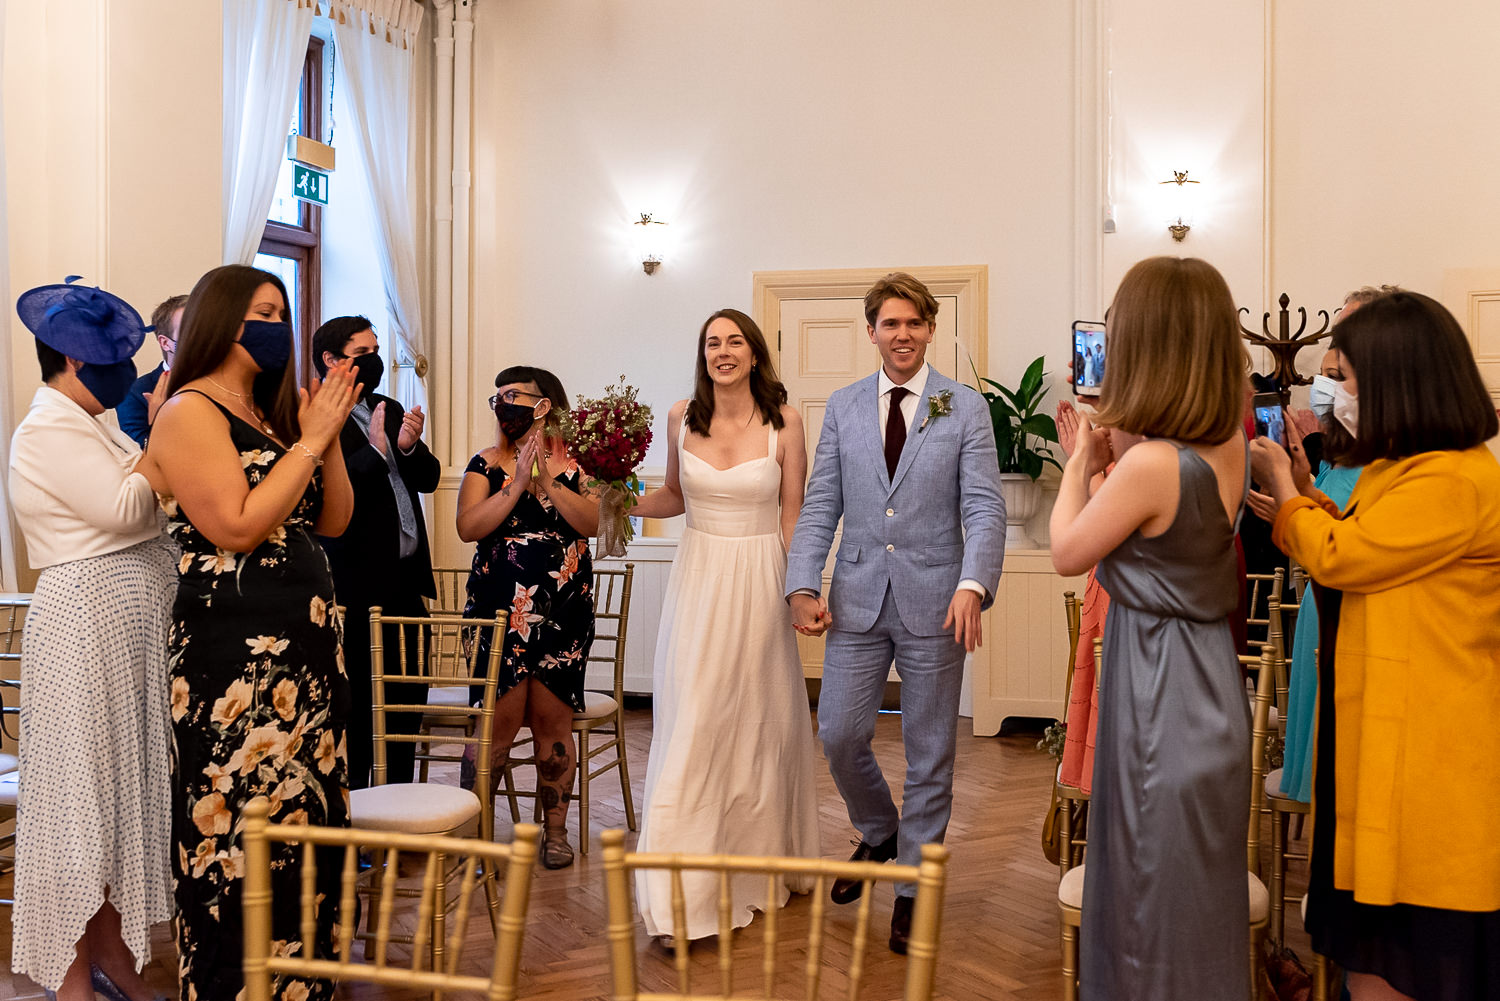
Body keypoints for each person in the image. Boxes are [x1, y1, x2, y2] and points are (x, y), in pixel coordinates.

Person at [1249, 291, 1500, 1001]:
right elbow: (1373, 547)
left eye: (1343, 376)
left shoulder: (1455, 476)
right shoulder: (1406, 468)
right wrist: (1307, 493)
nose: (1331, 391)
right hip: (1387, 742)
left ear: (1398, 380)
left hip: (1434, 761)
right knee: (1372, 959)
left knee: (1407, 960)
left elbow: (1346, 558)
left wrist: (1289, 495)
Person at [139, 264, 359, 1001]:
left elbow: (332, 520)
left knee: (308, 820)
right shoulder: (189, 410)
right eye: (262, 310)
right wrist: (312, 439)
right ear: (221, 317)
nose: (276, 323)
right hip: (234, 664)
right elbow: (234, 525)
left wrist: (320, 435)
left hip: (307, 658)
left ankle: (308, 985)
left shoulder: (268, 409)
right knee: (241, 835)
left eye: (282, 310)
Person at [1048, 256, 1252, 1000]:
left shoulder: (1150, 466)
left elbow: (1069, 551)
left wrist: (1080, 463)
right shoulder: (1224, 446)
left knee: (1145, 900)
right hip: (1206, 677)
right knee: (1190, 902)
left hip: (1160, 695)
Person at [785, 272, 1006, 954]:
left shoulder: (961, 408)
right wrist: (802, 582)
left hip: (937, 602)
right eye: (890, 323)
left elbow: (984, 506)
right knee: (839, 732)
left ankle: (912, 889)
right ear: (872, 330)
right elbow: (822, 501)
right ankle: (880, 830)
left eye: (914, 323)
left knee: (931, 753)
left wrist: (974, 582)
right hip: (855, 597)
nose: (902, 333)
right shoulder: (845, 407)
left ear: (930, 328)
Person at [628, 308, 821, 939]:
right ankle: (680, 888)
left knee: (761, 721)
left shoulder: (787, 422)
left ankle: (758, 863)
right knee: (696, 720)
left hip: (763, 578)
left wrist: (804, 587)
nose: (722, 351)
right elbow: (673, 498)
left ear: (756, 354)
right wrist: (614, 494)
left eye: (734, 341)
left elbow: (794, 515)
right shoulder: (681, 417)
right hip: (700, 578)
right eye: (712, 342)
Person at [8, 279, 174, 1001]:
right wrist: (165, 440)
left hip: (120, 634)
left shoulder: (95, 421)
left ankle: (114, 952)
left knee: (118, 801)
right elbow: (125, 508)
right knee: (80, 807)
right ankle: (72, 974)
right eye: (114, 360)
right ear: (75, 363)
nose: (125, 375)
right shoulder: (47, 428)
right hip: (81, 630)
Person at [456, 366, 598, 869]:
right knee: (497, 719)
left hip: (564, 610)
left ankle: (554, 834)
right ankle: (473, 834)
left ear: (543, 404)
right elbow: (468, 527)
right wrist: (516, 486)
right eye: (498, 397)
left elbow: (593, 523)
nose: (503, 405)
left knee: (553, 719)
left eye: (513, 396)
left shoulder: (578, 465)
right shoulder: (485, 462)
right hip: (500, 612)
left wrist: (550, 482)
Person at [311, 316, 440, 789]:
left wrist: (405, 448)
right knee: (362, 708)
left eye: (375, 349)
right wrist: (373, 453)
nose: (374, 359)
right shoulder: (313, 413)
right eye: (362, 351)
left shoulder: (384, 403)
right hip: (356, 585)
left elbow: (427, 477)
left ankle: (401, 807)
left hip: (406, 581)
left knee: (409, 700)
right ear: (331, 359)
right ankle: (361, 812)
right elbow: (324, 496)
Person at [114, 294, 186, 447]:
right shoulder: (135, 393)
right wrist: (160, 418)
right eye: (189, 331)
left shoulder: (222, 380)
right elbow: (142, 453)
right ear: (166, 343)